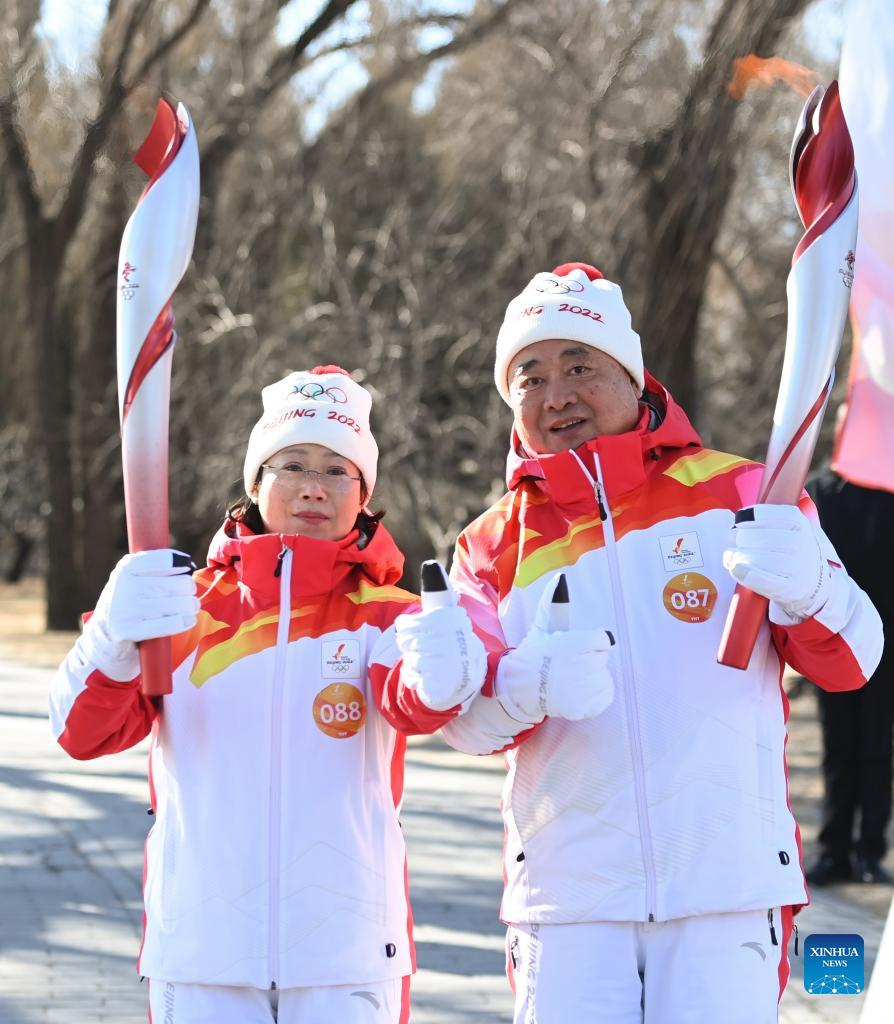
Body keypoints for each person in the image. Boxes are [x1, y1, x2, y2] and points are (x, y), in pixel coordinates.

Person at [395, 264, 884, 1023]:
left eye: (579, 366)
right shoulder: (489, 547)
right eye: (530, 377)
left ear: (631, 375)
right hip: (571, 905)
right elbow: (467, 725)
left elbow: (854, 663)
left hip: (726, 891)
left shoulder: (745, 493)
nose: (557, 395)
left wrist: (812, 590)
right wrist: (528, 687)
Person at [48, 366, 484, 1024]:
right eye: (293, 464)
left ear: (363, 494)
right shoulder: (181, 610)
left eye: (337, 471)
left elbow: (415, 704)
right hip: (202, 953)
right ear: (255, 482)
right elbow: (82, 734)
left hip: (346, 956)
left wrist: (444, 671)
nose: (314, 486)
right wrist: (108, 638)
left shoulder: (388, 615)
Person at [802, 466, 894, 886]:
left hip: (886, 646)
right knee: (838, 749)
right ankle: (834, 852)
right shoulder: (818, 491)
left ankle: (870, 853)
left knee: (876, 749)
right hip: (832, 641)